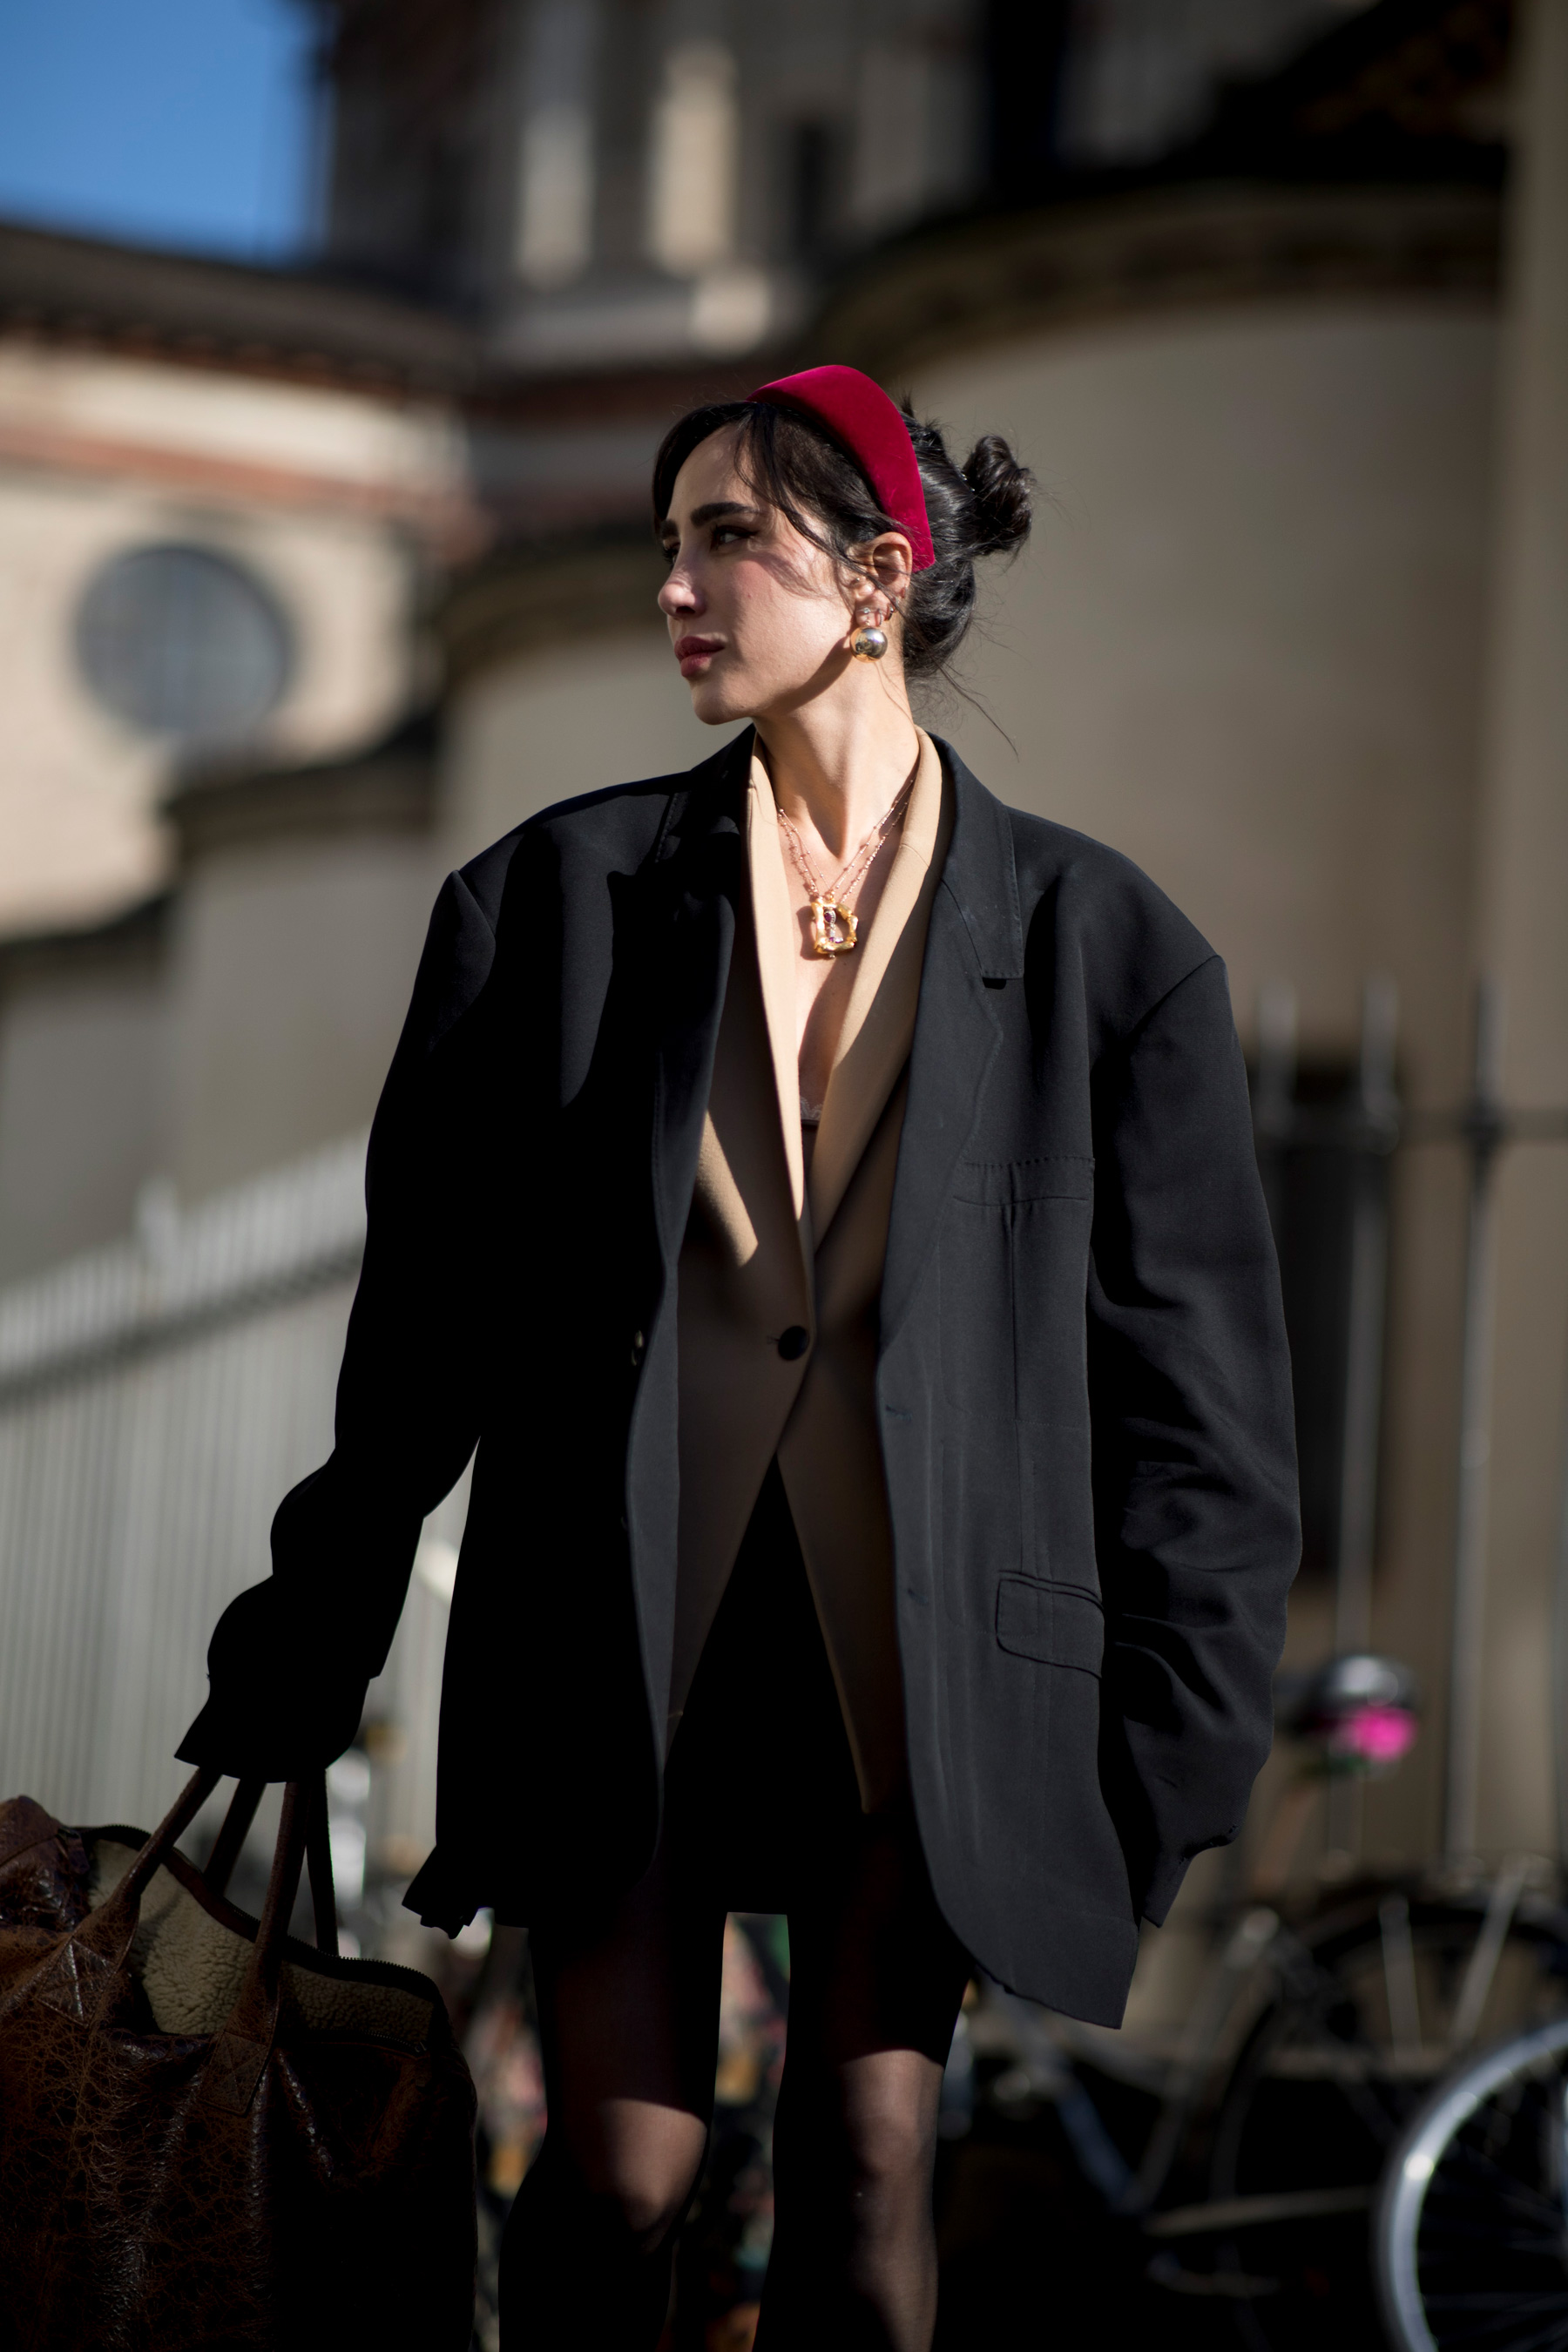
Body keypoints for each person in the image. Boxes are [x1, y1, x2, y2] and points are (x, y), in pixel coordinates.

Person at [179, 364, 1299, 2347]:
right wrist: (312, 1625)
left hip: (931, 1669)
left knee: (870, 2169)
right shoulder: (552, 904)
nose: (675, 588)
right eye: (667, 543)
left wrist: (1172, 1749)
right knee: (621, 2175)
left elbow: (1197, 1406)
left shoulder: (1110, 951)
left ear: (876, 580)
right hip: (626, 1644)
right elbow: (423, 1329)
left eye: (728, 540)